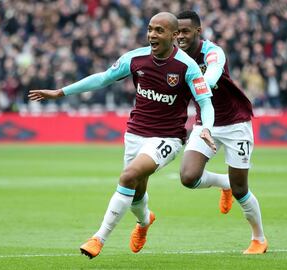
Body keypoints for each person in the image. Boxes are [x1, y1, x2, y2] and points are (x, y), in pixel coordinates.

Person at [28, 12, 216, 259]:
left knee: (128, 176)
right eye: (150, 29)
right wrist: (60, 92)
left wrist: (205, 128)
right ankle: (145, 221)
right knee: (136, 191)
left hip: (167, 138)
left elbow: (206, 103)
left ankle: (98, 238)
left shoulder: (187, 67)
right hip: (135, 134)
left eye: (159, 30)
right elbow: (103, 79)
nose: (152, 35)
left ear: (173, 35)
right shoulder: (135, 59)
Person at [176, 10, 268, 254]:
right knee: (188, 177)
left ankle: (259, 238)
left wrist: (201, 82)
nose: (180, 36)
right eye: (177, 32)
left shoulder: (213, 52)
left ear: (198, 31)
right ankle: (223, 183)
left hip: (235, 123)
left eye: (185, 31)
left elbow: (212, 73)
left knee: (241, 190)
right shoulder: (175, 56)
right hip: (206, 124)